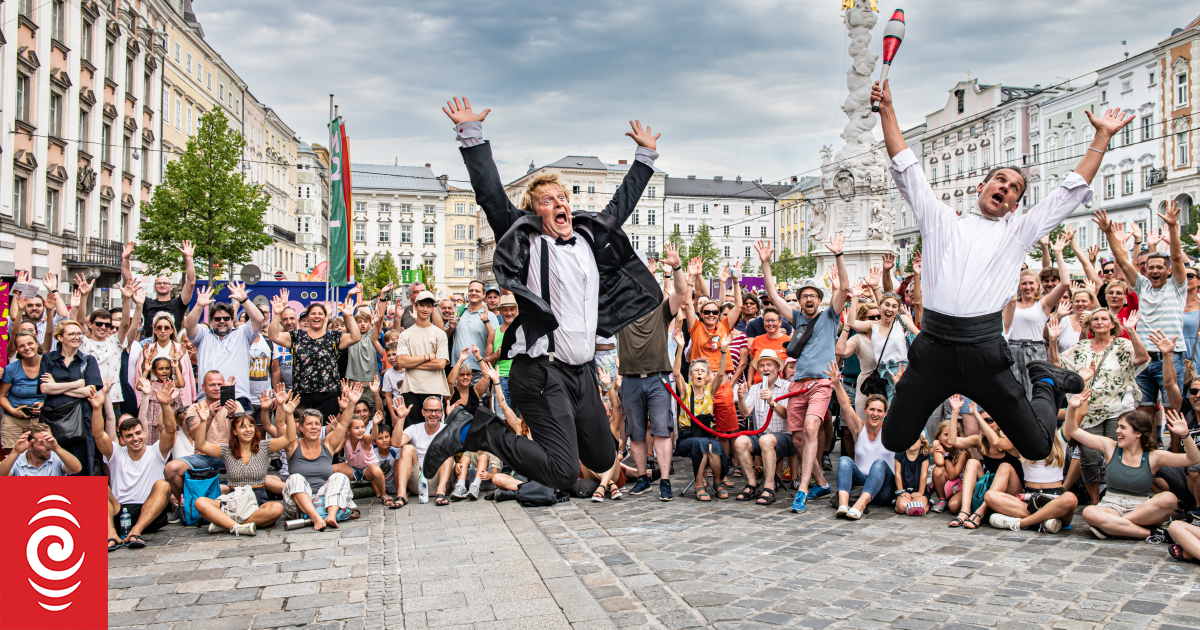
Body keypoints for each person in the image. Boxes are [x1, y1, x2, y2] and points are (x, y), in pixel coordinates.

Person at [869, 79, 1128, 460]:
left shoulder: (1018, 232)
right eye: (1000, 180)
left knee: (1038, 446)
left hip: (984, 352)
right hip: (934, 350)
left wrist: (1101, 138)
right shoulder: (941, 220)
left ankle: (1044, 379)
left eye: (1014, 189)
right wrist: (888, 109)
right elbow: (906, 167)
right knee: (893, 439)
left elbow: (1069, 193)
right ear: (982, 186)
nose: (1006, 188)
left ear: (1014, 205)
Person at [424, 97, 663, 491]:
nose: (559, 204)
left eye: (563, 197)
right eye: (548, 200)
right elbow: (489, 194)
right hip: (540, 368)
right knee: (561, 472)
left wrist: (645, 156)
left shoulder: (588, 237)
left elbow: (621, 205)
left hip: (580, 371)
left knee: (605, 458)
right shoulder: (530, 241)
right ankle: (476, 431)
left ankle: (501, 437)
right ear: (535, 212)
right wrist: (471, 135)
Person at [756, 238, 847, 513]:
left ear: (819, 300)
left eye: (813, 296)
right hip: (798, 384)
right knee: (798, 439)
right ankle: (820, 483)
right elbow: (772, 294)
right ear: (800, 300)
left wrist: (839, 255)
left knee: (810, 430)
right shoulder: (797, 319)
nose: (808, 299)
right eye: (804, 295)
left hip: (821, 383)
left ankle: (803, 491)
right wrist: (765, 262)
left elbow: (843, 287)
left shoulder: (831, 316)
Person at [1049, 309, 1149, 505]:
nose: (1100, 322)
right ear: (1089, 325)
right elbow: (1056, 364)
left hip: (1118, 411)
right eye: (1095, 319)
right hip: (1089, 411)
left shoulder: (1122, 345)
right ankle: (1095, 501)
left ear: (1113, 324)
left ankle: (1115, 496)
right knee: (1089, 457)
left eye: (1104, 319)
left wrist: (1132, 330)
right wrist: (1053, 340)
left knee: (1118, 454)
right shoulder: (1081, 347)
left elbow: (1141, 358)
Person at [1068, 392, 1199, 541]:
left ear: (1138, 433)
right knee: (1089, 512)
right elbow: (1073, 431)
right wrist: (1072, 408)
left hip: (1142, 509)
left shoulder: (1154, 456)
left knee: (1169, 498)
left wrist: (1185, 435)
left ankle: (1111, 528)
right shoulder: (1110, 447)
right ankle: (1153, 535)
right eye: (1118, 427)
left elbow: (1193, 459)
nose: (1117, 431)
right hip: (1111, 507)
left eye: (1123, 427)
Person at [1101, 208, 1187, 429]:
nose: (1155, 270)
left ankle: (1177, 457)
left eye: (1160, 267)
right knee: (1144, 413)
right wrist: (1108, 233)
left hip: (1171, 357)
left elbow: (1176, 256)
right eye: (1151, 267)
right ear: (1146, 271)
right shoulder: (1142, 285)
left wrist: (1172, 227)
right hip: (1143, 358)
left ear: (1168, 270)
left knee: (1172, 411)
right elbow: (1120, 258)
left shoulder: (1177, 286)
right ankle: (1149, 455)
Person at [618, 244, 686, 501]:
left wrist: (676, 267)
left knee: (661, 431)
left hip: (658, 379)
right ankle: (644, 478)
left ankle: (665, 481)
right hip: (631, 380)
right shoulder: (620, 315)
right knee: (635, 433)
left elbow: (680, 291)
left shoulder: (662, 311)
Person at [191, 390, 297, 536]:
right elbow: (200, 445)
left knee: (276, 509)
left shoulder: (264, 446)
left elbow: (289, 438)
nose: (248, 430)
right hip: (233, 498)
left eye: (251, 426)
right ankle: (238, 526)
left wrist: (289, 414)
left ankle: (226, 523)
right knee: (200, 502)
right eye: (242, 427)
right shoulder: (226, 450)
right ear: (234, 431)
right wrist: (204, 420)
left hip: (257, 498)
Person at [95, 383, 178, 549]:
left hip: (149, 512)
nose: (135, 438)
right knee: (97, 486)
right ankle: (110, 534)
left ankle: (135, 532)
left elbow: (170, 430)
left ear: (145, 433)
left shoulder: (155, 451)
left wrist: (165, 404)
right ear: (122, 439)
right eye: (129, 436)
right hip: (119, 511)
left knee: (163, 485)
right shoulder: (116, 453)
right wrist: (97, 407)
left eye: (138, 433)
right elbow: (98, 435)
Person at [267, 288, 362, 419]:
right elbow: (273, 336)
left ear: (325, 317)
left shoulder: (333, 337)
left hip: (329, 394)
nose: (317, 316)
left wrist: (350, 316)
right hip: (302, 395)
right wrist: (277, 313)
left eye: (320, 314)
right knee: (303, 432)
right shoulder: (296, 336)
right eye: (313, 314)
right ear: (307, 317)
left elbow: (355, 337)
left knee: (328, 431)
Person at [281, 386, 360, 530]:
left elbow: (342, 425)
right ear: (301, 428)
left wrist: (352, 404)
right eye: (309, 424)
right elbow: (282, 427)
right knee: (294, 478)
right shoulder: (293, 446)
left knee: (340, 477)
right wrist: (288, 413)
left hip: (326, 498)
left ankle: (330, 515)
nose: (313, 427)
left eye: (317, 424)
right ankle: (316, 517)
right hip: (299, 502)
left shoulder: (327, 444)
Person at [1003, 233, 1072, 398]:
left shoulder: (1043, 304)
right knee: (1015, 395)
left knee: (1038, 394)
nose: (1027, 287)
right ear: (1018, 285)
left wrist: (1058, 253)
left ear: (1037, 285)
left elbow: (1065, 283)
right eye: (1024, 283)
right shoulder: (1010, 304)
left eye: (1031, 283)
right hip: (1013, 349)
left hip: (1036, 350)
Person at [827, 360, 896, 519]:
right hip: (862, 483)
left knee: (879, 463)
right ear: (865, 410)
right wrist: (837, 384)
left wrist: (900, 390)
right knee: (844, 460)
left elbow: (901, 411)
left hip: (885, 488)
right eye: (872, 409)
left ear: (885, 413)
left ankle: (860, 505)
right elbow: (845, 406)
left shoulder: (890, 430)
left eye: (880, 411)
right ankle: (843, 504)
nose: (875, 414)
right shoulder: (859, 428)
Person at [985, 424, 1078, 533]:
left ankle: (1020, 523)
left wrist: (1072, 406)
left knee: (1070, 498)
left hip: (1056, 499)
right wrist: (976, 415)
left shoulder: (1060, 437)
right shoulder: (1022, 441)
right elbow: (997, 442)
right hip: (1030, 500)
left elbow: (1077, 415)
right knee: (990, 496)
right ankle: (1045, 519)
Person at [38, 320, 103, 475]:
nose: (77, 337)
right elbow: (44, 388)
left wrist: (57, 386)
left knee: (82, 459)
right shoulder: (48, 358)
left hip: (81, 418)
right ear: (60, 337)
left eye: (79, 334)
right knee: (52, 459)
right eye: (72, 334)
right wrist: (76, 384)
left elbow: (90, 392)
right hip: (52, 418)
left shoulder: (88, 360)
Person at [671, 329, 730, 501]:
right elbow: (676, 374)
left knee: (715, 447)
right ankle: (698, 484)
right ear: (690, 376)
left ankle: (718, 482)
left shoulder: (710, 391)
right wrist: (680, 347)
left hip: (706, 434)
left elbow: (720, 373)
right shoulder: (686, 390)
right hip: (688, 437)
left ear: (707, 377)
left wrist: (724, 350)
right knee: (702, 445)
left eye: (702, 371)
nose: (699, 373)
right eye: (695, 371)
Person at [184, 282, 263, 410]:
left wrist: (244, 300)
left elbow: (259, 320)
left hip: (237, 397)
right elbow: (189, 326)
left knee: (237, 431)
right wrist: (199, 306)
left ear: (232, 320)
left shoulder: (242, 333)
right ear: (211, 321)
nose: (222, 321)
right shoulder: (203, 335)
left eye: (226, 318)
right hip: (207, 398)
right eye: (217, 319)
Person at [732, 349, 792, 506]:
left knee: (766, 440)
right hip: (762, 435)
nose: (766, 369)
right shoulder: (755, 388)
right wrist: (740, 397)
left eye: (769, 365)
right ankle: (752, 483)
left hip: (784, 437)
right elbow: (746, 413)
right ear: (758, 369)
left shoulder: (787, 386)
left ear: (777, 368)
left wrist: (772, 402)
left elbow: (787, 414)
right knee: (740, 441)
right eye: (762, 366)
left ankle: (770, 486)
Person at [391, 290, 450, 421]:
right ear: (415, 306)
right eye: (422, 305)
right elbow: (400, 362)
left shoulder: (440, 334)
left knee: (434, 432)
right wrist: (428, 357)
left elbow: (440, 363)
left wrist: (412, 363)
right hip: (411, 389)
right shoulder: (406, 334)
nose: (425, 309)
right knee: (412, 432)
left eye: (429, 306)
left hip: (434, 388)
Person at [121, 240, 196, 337]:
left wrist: (189, 258)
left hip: (171, 344)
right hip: (150, 344)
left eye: (165, 283)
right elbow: (128, 283)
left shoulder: (179, 303)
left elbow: (191, 282)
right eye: (159, 283)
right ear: (155, 287)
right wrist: (125, 259)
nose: (162, 285)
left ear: (171, 287)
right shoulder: (146, 303)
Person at [394, 396, 455, 506]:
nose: (433, 414)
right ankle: (402, 493)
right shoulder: (414, 428)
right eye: (429, 411)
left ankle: (440, 492)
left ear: (441, 412)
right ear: (423, 412)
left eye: (436, 410)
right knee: (407, 448)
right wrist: (401, 418)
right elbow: (396, 443)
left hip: (441, 479)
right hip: (418, 481)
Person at [2, 331, 45, 453]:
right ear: (17, 350)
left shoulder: (49, 365)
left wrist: (44, 405)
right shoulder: (11, 369)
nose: (27, 348)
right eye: (21, 346)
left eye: (30, 343)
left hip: (42, 419)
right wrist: (12, 410)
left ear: (37, 343)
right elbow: (1, 395)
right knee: (13, 459)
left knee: (41, 457)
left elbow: (59, 392)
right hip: (14, 420)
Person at [0, 422, 82, 476]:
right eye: (42, 444)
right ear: (29, 446)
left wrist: (57, 447)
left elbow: (76, 469)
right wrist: (15, 452)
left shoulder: (57, 456)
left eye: (49, 441)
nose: (48, 447)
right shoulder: (16, 460)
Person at [893, 435, 930, 516]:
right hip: (904, 490)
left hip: (918, 490)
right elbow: (898, 474)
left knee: (919, 506)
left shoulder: (924, 456)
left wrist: (920, 492)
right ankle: (897, 504)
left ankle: (927, 505)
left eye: (915, 439)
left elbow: (923, 474)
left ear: (922, 443)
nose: (911, 441)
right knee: (903, 507)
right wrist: (901, 491)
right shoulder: (900, 454)